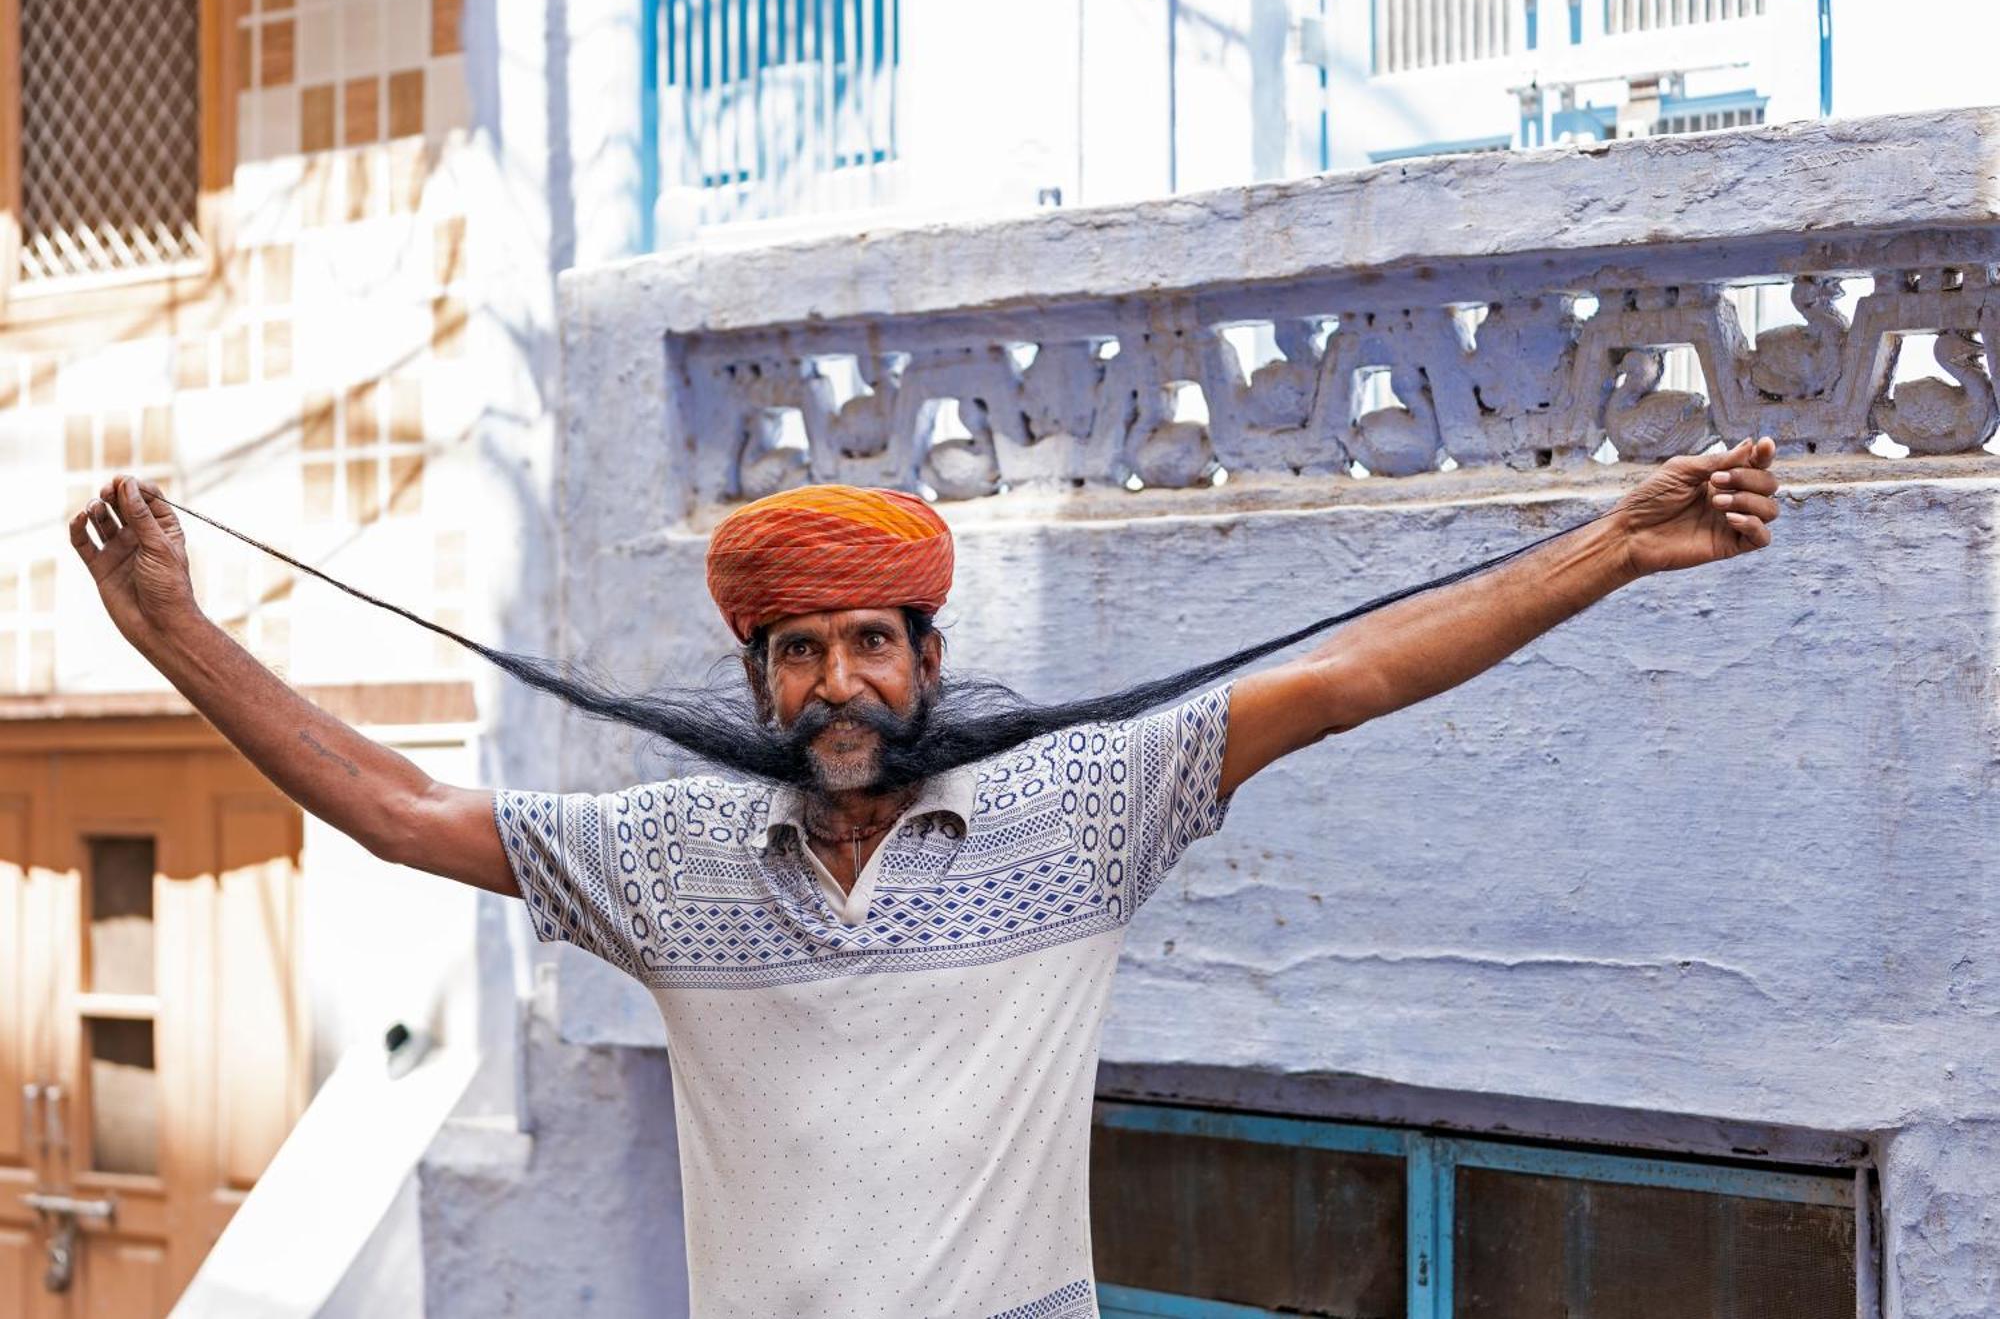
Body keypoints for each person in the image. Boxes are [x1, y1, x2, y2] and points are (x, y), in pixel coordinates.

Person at [71, 438, 1782, 1318]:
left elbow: (1356, 675)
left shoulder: (1084, 806)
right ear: (757, 677)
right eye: (798, 649)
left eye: (869, 643)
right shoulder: (663, 863)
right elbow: (387, 803)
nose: (836, 684)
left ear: (927, 653)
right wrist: (176, 631)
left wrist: (1615, 549)